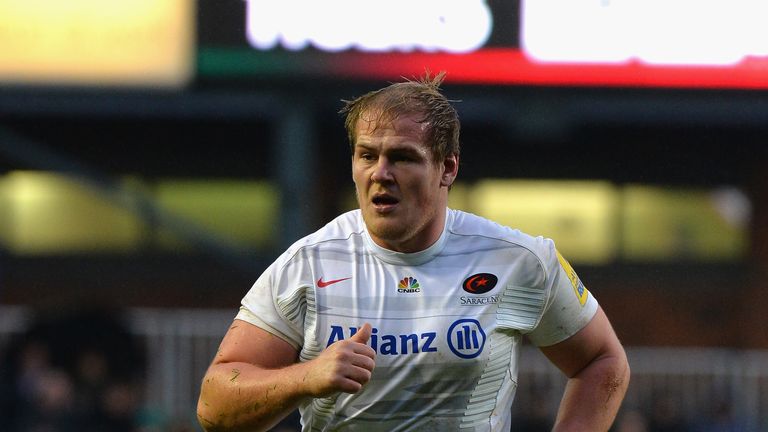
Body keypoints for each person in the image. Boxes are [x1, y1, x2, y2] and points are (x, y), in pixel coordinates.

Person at [196, 71, 630, 431]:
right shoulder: (307, 265)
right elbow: (214, 404)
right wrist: (306, 377)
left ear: (447, 168)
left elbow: (602, 362)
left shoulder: (519, 260)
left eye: (402, 157)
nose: (381, 173)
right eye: (367, 155)